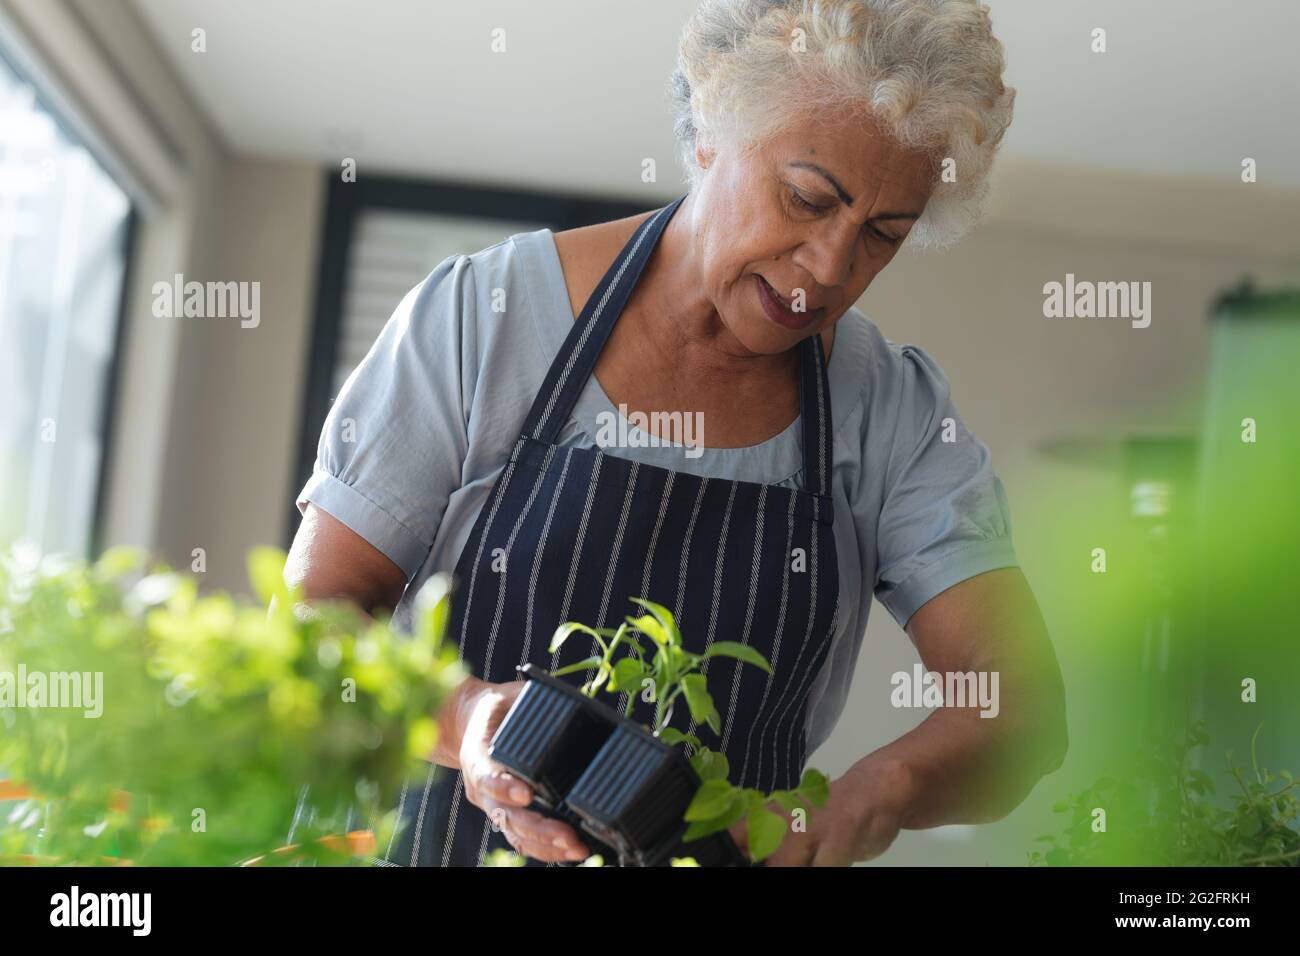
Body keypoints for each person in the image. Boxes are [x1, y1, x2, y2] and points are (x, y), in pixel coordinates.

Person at [286, 0, 1067, 866]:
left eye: (884, 235)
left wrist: (870, 795)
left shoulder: (894, 412)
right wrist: (466, 721)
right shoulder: (486, 316)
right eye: (808, 199)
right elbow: (318, 618)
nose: (832, 266)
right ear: (706, 132)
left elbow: (1019, 710)